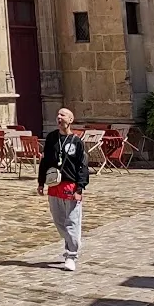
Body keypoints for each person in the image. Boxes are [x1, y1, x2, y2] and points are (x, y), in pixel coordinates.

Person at [38, 107, 89, 271]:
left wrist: (79, 188)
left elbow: (83, 166)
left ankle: (71, 255)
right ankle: (73, 241)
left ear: (70, 120)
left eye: (63, 115)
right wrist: (40, 182)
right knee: (59, 221)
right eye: (57, 114)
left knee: (72, 222)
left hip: (70, 185)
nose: (59, 117)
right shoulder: (52, 138)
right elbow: (45, 162)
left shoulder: (77, 141)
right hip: (54, 185)